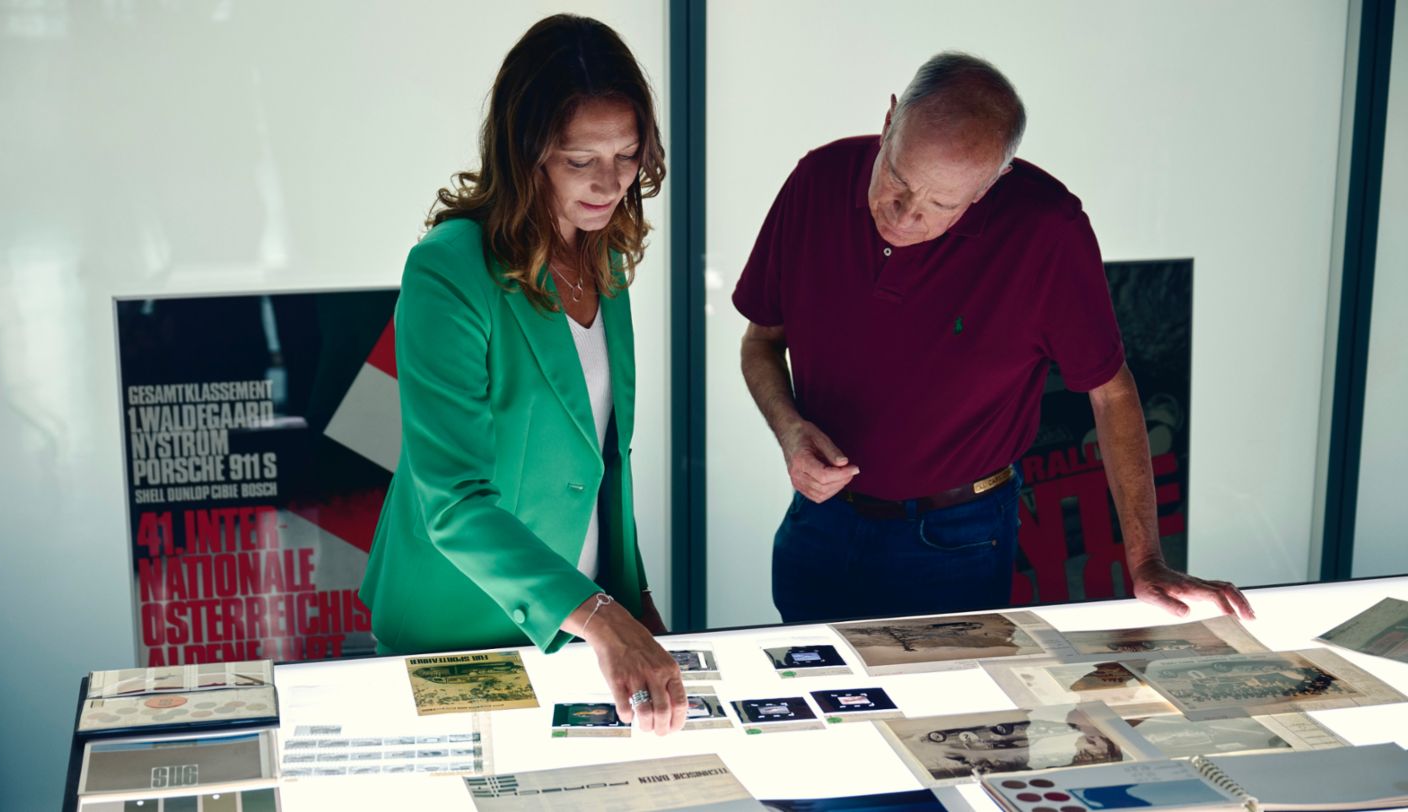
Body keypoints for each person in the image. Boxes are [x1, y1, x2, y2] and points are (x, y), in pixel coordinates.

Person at [734, 52, 1254, 624]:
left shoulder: (1047, 232)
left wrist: (1147, 560)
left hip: (957, 536)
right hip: (821, 522)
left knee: (948, 711)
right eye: (897, 181)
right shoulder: (818, 181)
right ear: (888, 124)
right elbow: (761, 341)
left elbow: (1112, 393)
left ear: (991, 184)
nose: (905, 217)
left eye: (941, 205)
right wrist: (788, 430)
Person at [360, 14, 687, 735]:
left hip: (583, 627)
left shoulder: (604, 255)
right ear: (526, 151)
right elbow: (452, 502)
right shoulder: (449, 268)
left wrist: (633, 600)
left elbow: (601, 458)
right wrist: (605, 618)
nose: (610, 183)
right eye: (580, 160)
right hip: (456, 625)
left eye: (628, 155)